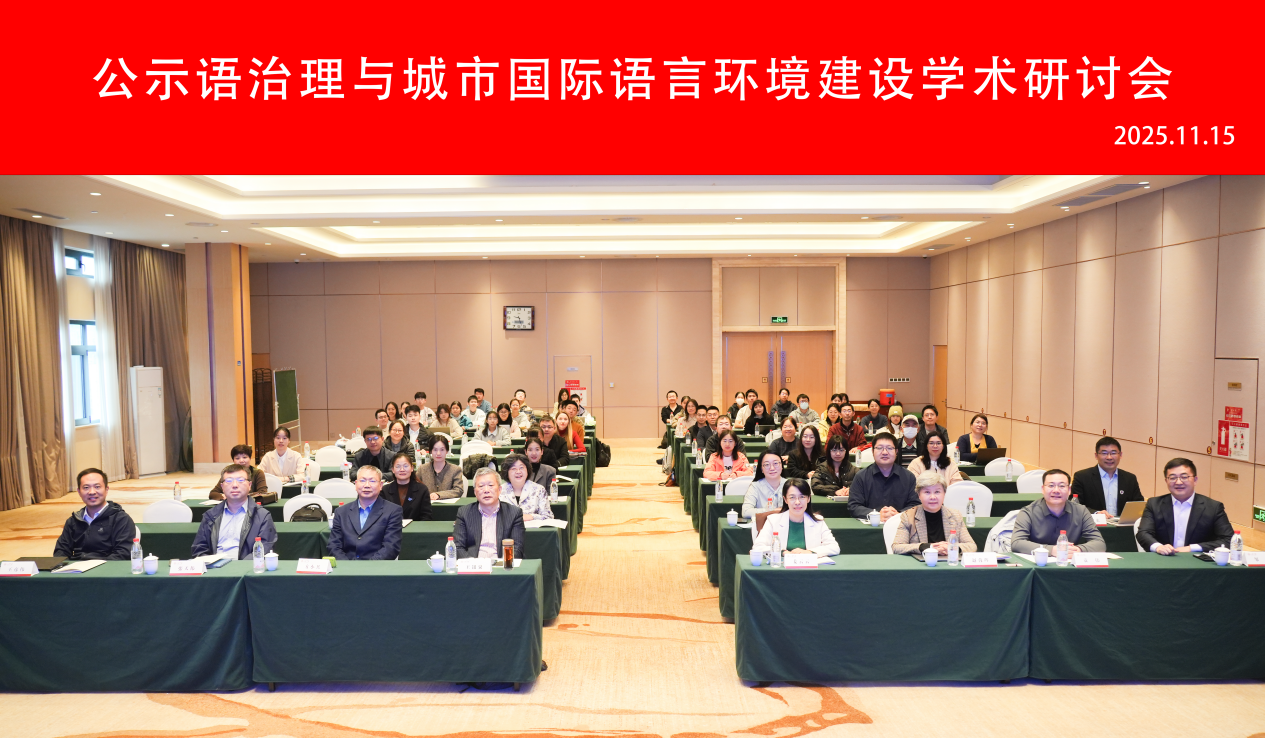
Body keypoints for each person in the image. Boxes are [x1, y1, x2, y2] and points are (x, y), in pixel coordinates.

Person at [1137, 458, 1234, 554]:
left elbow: (1229, 540)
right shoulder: (1154, 504)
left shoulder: (1213, 507)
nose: (1178, 482)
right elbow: (1143, 533)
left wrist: (1192, 548)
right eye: (1173, 478)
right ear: (1166, 481)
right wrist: (1159, 547)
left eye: (1184, 477)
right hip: (1163, 559)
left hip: (1197, 561)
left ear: (1195, 480)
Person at [191, 464, 278, 559]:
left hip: (246, 567)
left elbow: (264, 549)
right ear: (222, 487)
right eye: (229, 481)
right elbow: (199, 549)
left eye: (241, 480)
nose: (235, 485)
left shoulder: (262, 516)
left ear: (249, 485)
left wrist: (238, 566)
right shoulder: (210, 515)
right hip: (215, 566)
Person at [1010, 469, 1106, 554]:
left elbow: (1099, 543)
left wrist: (1078, 549)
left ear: (1069, 490)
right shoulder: (1028, 512)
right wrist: (1051, 550)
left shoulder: (1081, 511)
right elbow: (1017, 543)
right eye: (1051, 485)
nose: (1056, 490)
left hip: (1068, 562)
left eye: (1062, 486)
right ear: (1043, 489)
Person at [53, 468, 136, 561]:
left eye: (97, 487)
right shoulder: (73, 521)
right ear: (79, 492)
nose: (92, 492)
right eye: (86, 487)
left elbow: (123, 554)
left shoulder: (121, 519)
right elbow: (61, 551)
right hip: (77, 568)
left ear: (106, 489)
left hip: (107, 568)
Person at [891, 471, 977, 556]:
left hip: (949, 562)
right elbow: (897, 547)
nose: (933, 497)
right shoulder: (909, 517)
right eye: (927, 492)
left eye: (937, 492)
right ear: (919, 495)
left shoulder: (955, 515)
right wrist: (927, 547)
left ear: (944, 493)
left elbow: (971, 546)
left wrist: (952, 548)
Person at [328, 466, 403, 560]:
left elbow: (390, 548)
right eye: (362, 480)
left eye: (372, 481)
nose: (367, 485)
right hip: (346, 566)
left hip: (377, 567)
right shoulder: (341, 512)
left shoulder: (393, 511)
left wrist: (367, 566)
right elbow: (334, 545)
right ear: (356, 484)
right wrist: (347, 566)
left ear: (380, 485)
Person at [752, 479, 840, 556]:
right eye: (792, 497)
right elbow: (757, 547)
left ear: (808, 498)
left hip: (808, 567)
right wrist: (782, 552)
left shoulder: (818, 521)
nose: (797, 502)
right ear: (785, 499)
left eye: (802, 497)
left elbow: (834, 547)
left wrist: (809, 552)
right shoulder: (773, 520)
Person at [453, 468, 525, 559]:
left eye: (491, 485)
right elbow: (458, 547)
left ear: (499, 489)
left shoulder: (514, 513)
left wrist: (502, 564)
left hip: (502, 564)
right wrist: (473, 564)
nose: (486, 490)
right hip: (474, 564)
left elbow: (517, 549)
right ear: (475, 492)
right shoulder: (464, 513)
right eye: (481, 486)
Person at [847, 432, 918, 522]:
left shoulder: (909, 477)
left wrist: (898, 515)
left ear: (896, 452)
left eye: (889, 448)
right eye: (879, 448)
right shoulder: (861, 476)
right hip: (870, 527)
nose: (884, 452)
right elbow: (854, 506)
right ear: (872, 451)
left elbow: (915, 504)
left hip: (900, 526)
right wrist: (875, 515)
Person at [1071, 436, 1144, 517]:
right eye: (1104, 453)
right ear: (1096, 455)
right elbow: (1074, 506)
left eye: (1113, 453)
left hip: (1122, 524)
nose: (1109, 457)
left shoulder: (1130, 479)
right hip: (1093, 523)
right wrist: (1096, 513)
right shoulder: (1082, 477)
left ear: (1120, 455)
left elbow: (1139, 505)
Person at [499, 453, 554, 521]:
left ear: (527, 470)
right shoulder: (499, 491)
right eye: (513, 469)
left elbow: (548, 517)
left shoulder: (539, 490)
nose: (518, 471)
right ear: (507, 472)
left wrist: (530, 517)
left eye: (521, 468)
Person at [380, 452, 433, 521]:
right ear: (393, 470)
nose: (402, 470)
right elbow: (381, 516)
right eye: (398, 466)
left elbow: (426, 517)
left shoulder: (422, 490)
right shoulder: (385, 490)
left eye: (405, 466)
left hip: (415, 527)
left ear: (412, 468)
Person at [415, 435, 463, 500]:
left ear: (447, 451)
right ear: (430, 451)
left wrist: (439, 495)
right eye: (435, 450)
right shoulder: (422, 469)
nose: (438, 453)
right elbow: (415, 489)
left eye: (442, 450)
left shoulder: (455, 470)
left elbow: (458, 490)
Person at [743, 450, 788, 519]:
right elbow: (746, 512)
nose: (772, 468)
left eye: (775, 463)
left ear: (782, 466)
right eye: (767, 464)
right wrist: (772, 511)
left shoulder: (790, 485)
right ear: (761, 469)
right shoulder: (755, 486)